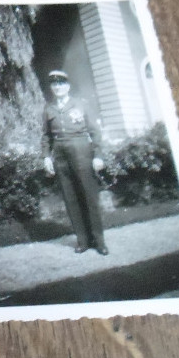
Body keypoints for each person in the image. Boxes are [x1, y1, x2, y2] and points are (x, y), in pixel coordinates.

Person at [41, 69, 109, 255]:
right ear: (52, 88)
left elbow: (95, 132)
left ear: (68, 86)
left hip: (81, 152)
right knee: (70, 198)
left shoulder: (81, 104)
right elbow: (46, 136)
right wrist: (46, 156)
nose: (58, 87)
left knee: (89, 196)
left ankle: (99, 241)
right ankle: (83, 241)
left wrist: (98, 156)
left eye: (61, 84)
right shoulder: (48, 108)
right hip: (60, 154)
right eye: (54, 84)